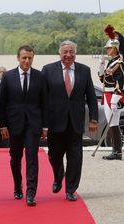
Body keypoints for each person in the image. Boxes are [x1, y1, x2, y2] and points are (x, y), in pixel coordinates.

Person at [42, 40, 98, 201]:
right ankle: (58, 176)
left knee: (75, 156)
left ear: (75, 53)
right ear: (59, 53)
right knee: (54, 155)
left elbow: (91, 97)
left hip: (75, 121)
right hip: (55, 121)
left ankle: (70, 189)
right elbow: (43, 98)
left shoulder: (84, 70)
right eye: (65, 52)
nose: (68, 55)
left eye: (71, 51)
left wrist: (93, 119)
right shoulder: (48, 70)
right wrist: (43, 124)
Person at [0, 45, 47, 206]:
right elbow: (1, 102)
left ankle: (31, 192)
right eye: (24, 58)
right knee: (15, 158)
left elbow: (44, 104)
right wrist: (3, 125)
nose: (27, 61)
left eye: (30, 58)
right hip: (14, 124)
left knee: (32, 158)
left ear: (33, 58)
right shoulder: (8, 77)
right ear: (18, 58)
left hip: (33, 124)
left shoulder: (40, 77)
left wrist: (45, 126)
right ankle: (17, 185)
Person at [98, 25, 124, 160]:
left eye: (109, 48)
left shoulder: (119, 63)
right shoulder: (112, 62)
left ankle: (117, 151)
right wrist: (101, 66)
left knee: (114, 123)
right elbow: (103, 79)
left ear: (115, 49)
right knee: (111, 123)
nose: (107, 50)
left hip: (113, 96)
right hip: (107, 94)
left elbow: (121, 83)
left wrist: (115, 99)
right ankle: (115, 150)